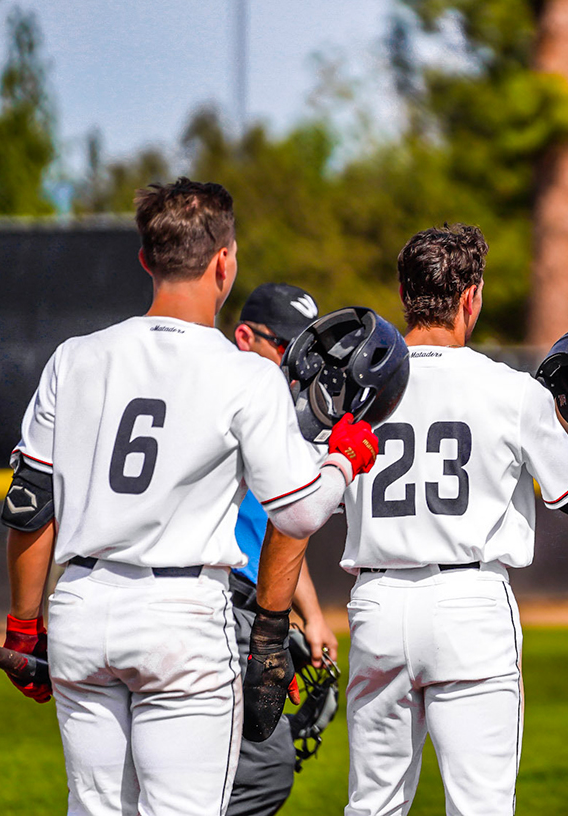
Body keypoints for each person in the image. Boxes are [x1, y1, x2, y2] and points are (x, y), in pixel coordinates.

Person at [0, 178, 378, 816]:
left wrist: (22, 625)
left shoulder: (75, 358)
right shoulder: (247, 374)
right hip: (182, 618)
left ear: (146, 259)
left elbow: (31, 506)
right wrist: (345, 459)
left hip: (83, 606)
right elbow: (298, 511)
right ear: (224, 263)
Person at [252, 223, 568, 816]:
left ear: (405, 292)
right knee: (480, 805)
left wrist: (268, 629)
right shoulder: (511, 391)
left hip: (378, 603)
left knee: (373, 805)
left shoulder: (359, 387)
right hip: (470, 605)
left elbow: (296, 510)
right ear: (472, 296)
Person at [228, 281, 339, 816]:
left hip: (252, 601)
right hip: (219, 604)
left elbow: (281, 529)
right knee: (261, 775)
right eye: (287, 347)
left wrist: (311, 615)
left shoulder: (275, 416)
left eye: (308, 351)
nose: (299, 364)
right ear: (244, 336)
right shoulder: (235, 400)